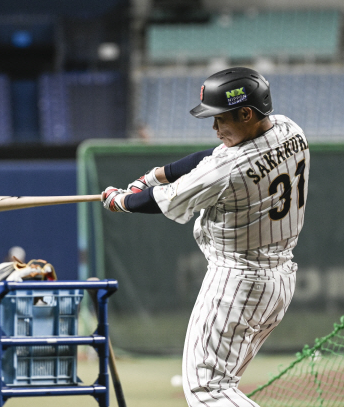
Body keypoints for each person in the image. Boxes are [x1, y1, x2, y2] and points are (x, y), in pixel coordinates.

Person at [101, 67, 310, 406]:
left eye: (220, 119)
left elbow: (161, 199)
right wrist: (154, 175)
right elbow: (210, 159)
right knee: (221, 385)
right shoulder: (291, 130)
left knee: (206, 390)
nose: (215, 128)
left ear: (246, 112)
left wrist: (121, 200)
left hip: (238, 281)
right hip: (278, 281)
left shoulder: (229, 170)